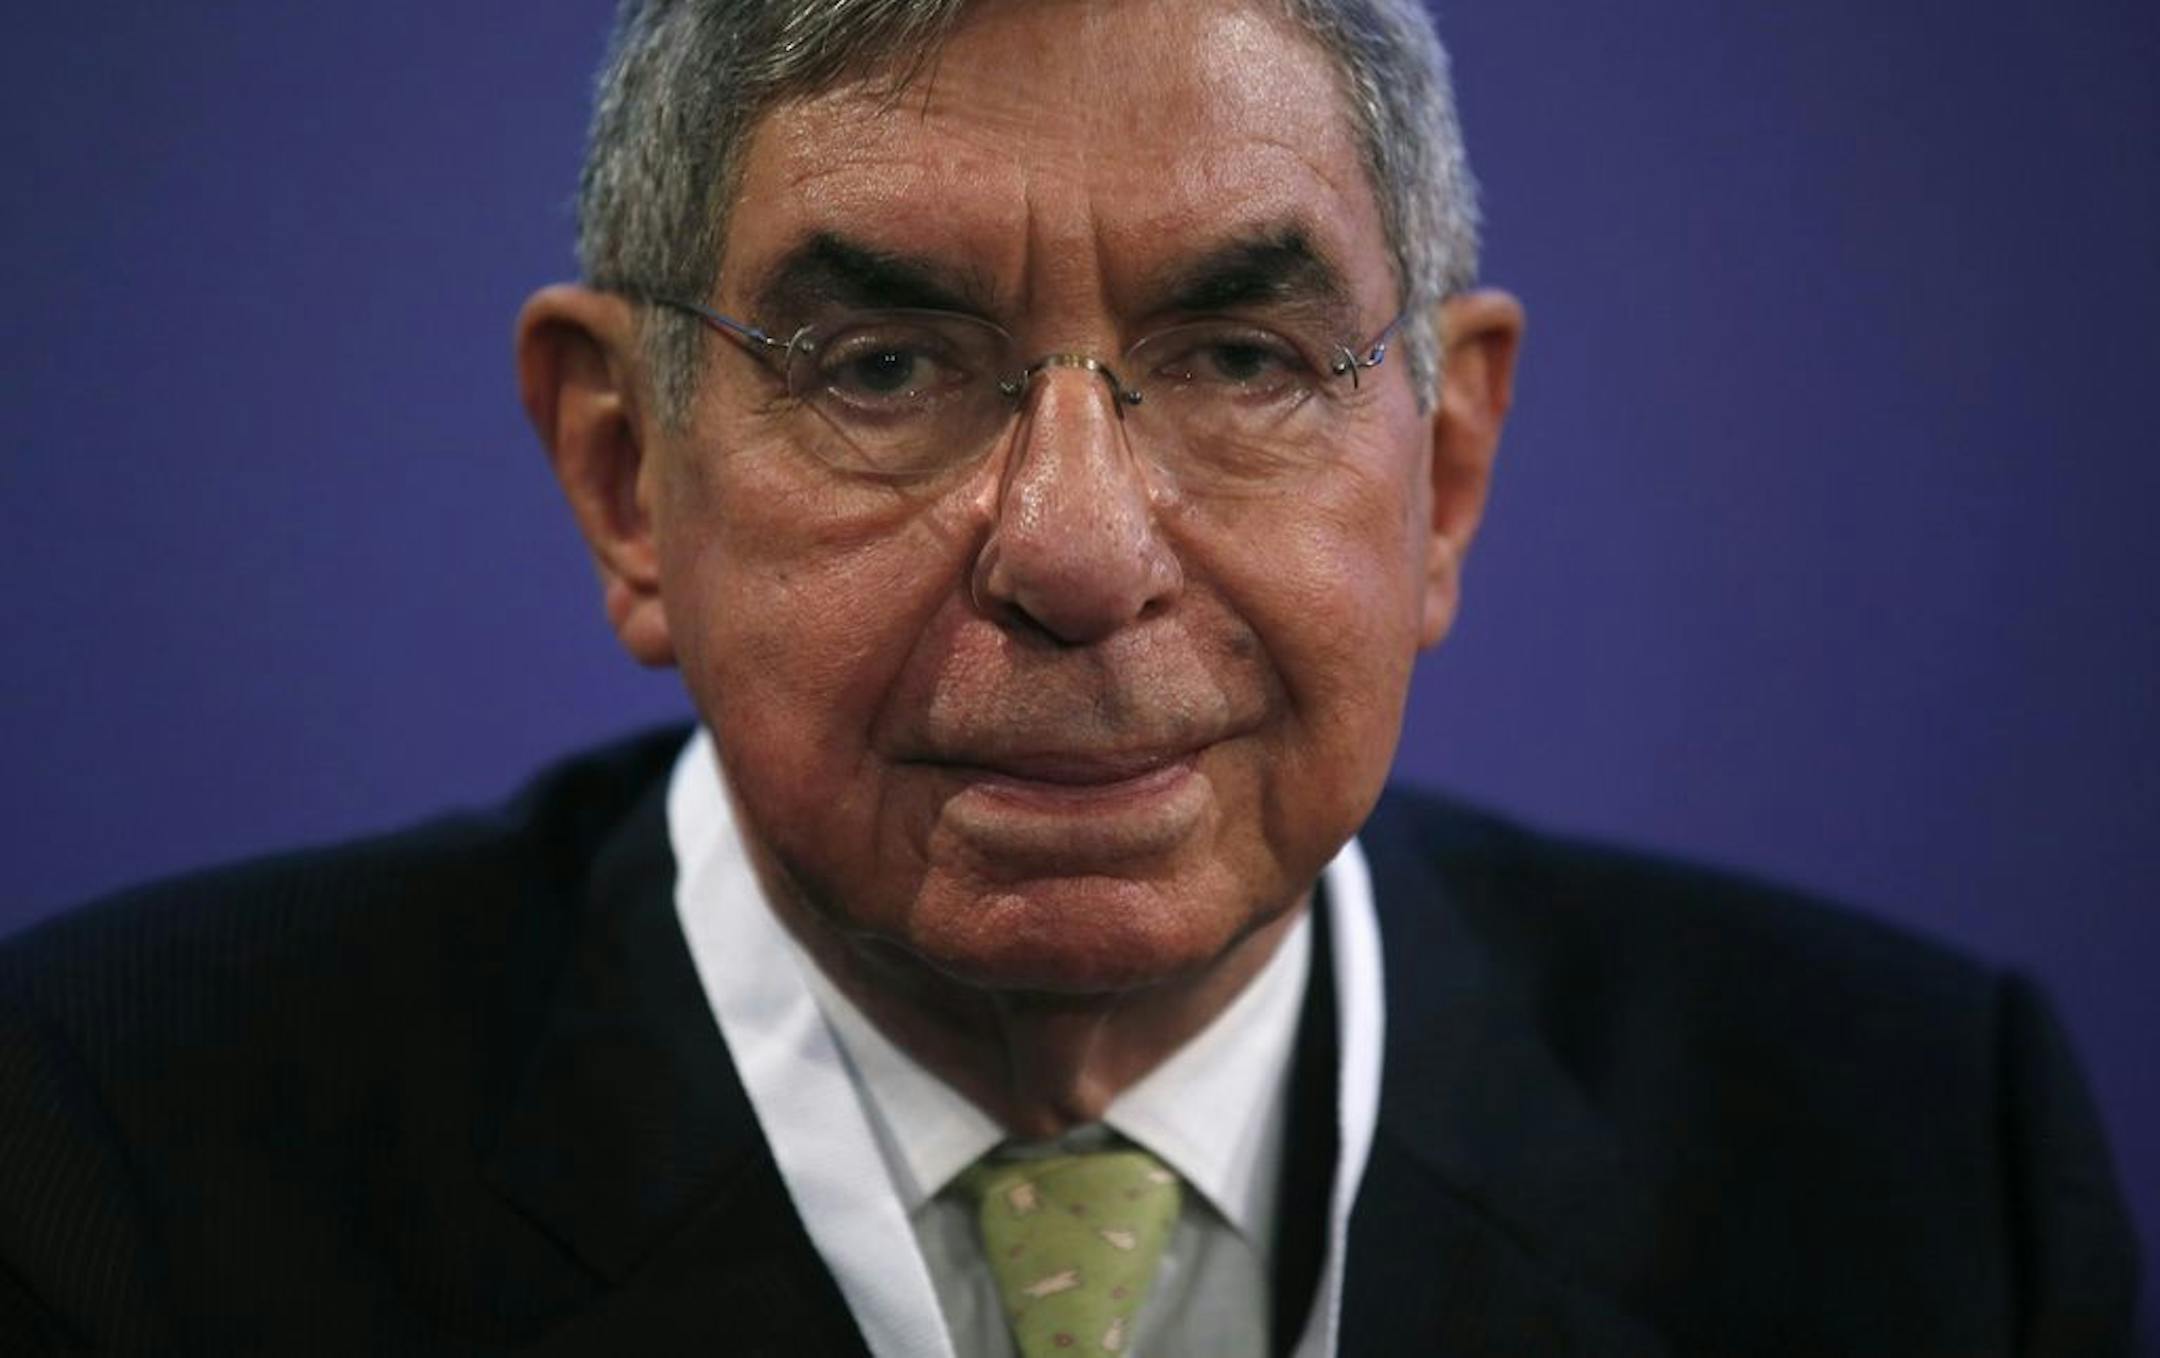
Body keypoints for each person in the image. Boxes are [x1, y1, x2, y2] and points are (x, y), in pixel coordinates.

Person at [0, 0, 2137, 1352]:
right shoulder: (108, 1170)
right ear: (628, 474)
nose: (1082, 554)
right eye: (885, 365)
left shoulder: (1921, 1177)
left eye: (1239, 358)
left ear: (1448, 474)